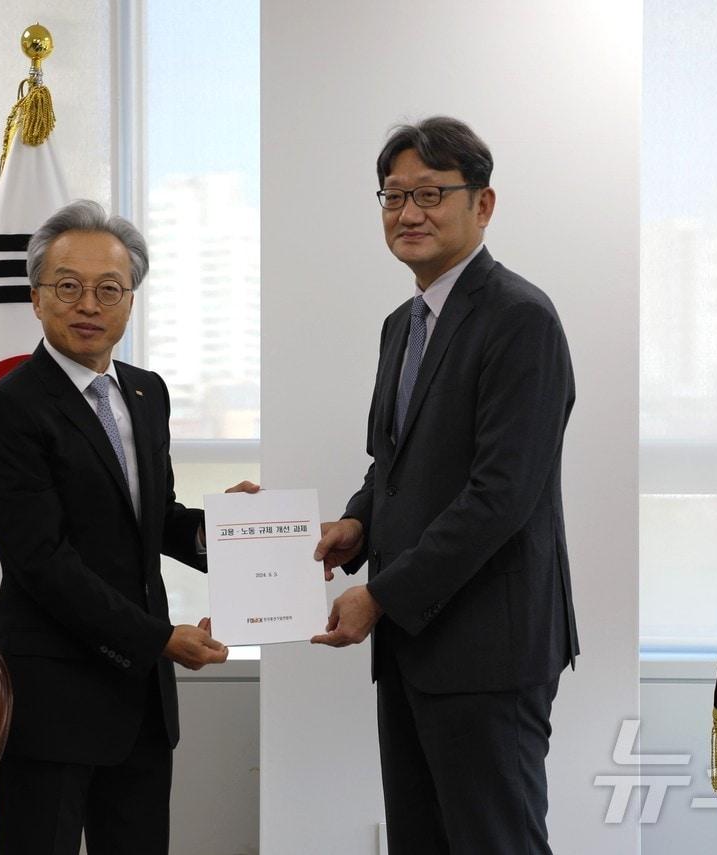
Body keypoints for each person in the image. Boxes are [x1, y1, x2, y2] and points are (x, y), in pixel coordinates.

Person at [312, 117, 579, 854]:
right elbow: (392, 463)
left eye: (431, 193)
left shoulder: (521, 318)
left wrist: (382, 593)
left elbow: (501, 495)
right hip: (413, 645)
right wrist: (357, 522)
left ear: (483, 204)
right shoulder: (403, 323)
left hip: (489, 647)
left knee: (496, 841)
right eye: (394, 196)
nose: (409, 214)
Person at [0, 199, 255, 854]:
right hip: (54, 701)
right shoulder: (5, 410)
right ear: (36, 297)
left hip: (142, 706)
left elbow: (151, 520)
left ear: (132, 300)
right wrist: (160, 637)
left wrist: (232, 533)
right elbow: (44, 562)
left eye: (109, 289)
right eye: (68, 286)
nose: (88, 304)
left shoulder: (147, 392)